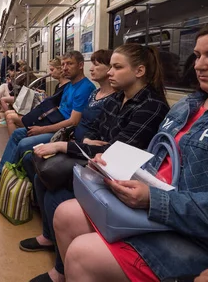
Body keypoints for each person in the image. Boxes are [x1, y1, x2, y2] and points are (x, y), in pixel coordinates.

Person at [52, 15, 208, 282]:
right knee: (65, 214)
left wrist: (154, 199)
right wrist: (116, 166)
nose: (199, 65)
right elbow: (157, 159)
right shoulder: (187, 105)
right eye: (198, 55)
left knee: (82, 255)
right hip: (153, 203)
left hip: (195, 232)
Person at [26, 45, 170, 281]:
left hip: (119, 174)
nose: (109, 72)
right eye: (110, 66)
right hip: (96, 160)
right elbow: (93, 131)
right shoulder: (117, 99)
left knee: (56, 196)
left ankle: (61, 271)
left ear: (140, 71)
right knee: (40, 178)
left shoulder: (152, 107)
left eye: (117, 67)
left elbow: (116, 151)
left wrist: (69, 145)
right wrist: (94, 143)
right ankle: (49, 238)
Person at [0, 51, 95, 188]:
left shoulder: (85, 88)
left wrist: (42, 129)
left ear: (81, 65)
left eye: (69, 64)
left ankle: (10, 176)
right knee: (17, 134)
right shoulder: (70, 85)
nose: (65, 68)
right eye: (63, 64)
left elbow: (73, 121)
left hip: (64, 131)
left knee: (23, 143)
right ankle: (1, 174)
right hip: (54, 122)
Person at [4, 57, 66, 135]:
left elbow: (57, 106)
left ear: (60, 69)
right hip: (46, 112)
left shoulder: (66, 87)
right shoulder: (58, 85)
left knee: (10, 117)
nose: (50, 73)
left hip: (49, 117)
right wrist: (45, 95)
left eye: (52, 70)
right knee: (9, 114)